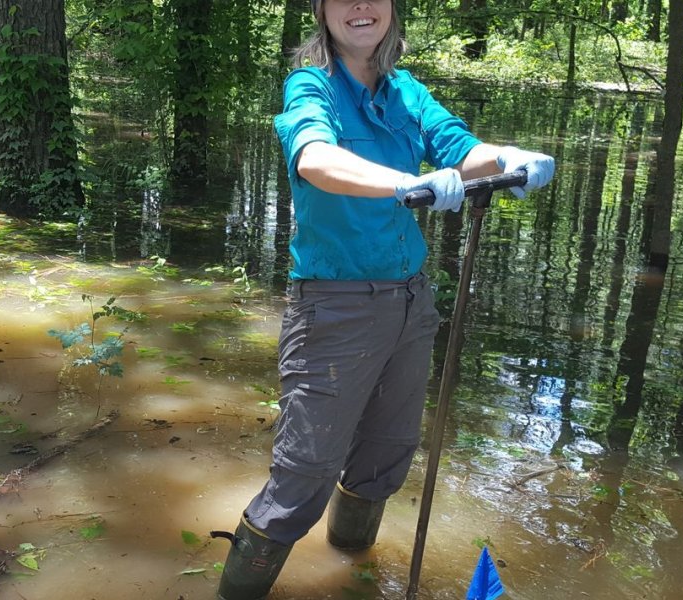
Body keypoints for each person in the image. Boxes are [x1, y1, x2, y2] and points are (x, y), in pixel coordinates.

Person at [213, 1, 555, 598]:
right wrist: (403, 183)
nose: (362, 7)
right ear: (323, 10)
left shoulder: (406, 93)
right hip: (334, 308)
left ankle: (352, 573)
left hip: (410, 306)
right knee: (304, 477)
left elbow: (458, 147)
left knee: (386, 456)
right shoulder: (310, 84)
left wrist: (505, 158)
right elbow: (315, 157)